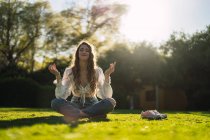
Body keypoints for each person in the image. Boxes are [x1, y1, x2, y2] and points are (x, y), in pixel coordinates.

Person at [48, 41, 116, 122]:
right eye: (81, 50)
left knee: (111, 102)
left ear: (90, 54)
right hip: (75, 104)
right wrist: (58, 75)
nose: (84, 52)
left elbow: (106, 96)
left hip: (92, 104)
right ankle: (92, 114)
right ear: (77, 53)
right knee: (55, 102)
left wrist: (107, 75)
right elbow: (61, 96)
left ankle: (78, 115)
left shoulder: (97, 71)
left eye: (87, 50)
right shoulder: (69, 71)